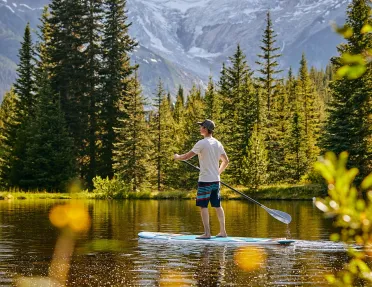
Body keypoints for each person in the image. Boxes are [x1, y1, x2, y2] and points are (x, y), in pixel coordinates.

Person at [174, 119, 229, 239]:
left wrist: (178, 157)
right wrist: (217, 173)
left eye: (201, 127)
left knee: (203, 206)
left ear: (206, 129)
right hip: (216, 181)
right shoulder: (218, 143)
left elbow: (187, 156)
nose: (200, 128)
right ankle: (223, 232)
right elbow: (226, 161)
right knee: (217, 205)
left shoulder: (201, 143)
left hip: (205, 181)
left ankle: (207, 233)